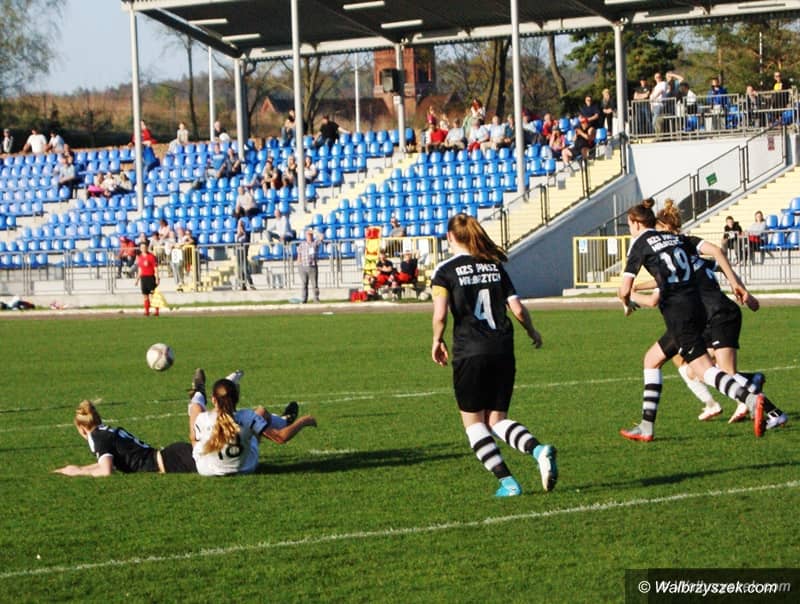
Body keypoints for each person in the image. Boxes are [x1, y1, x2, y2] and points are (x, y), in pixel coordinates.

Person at [618, 200, 775, 442]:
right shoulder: (677, 239)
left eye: (629, 224)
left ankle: (751, 399)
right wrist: (737, 285)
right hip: (697, 308)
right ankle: (646, 426)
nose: (629, 229)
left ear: (636, 223)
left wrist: (627, 301)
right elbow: (714, 252)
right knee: (652, 359)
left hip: (678, 313)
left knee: (704, 370)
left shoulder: (640, 243)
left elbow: (624, 289)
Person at [430, 213, 555, 497]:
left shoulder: (445, 270)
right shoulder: (494, 265)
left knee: (474, 424)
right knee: (497, 420)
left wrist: (437, 340)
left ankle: (508, 483)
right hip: (502, 349)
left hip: (470, 352)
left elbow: (440, 315)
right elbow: (517, 308)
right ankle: (538, 450)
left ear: (450, 237)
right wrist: (532, 331)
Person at [192, 376, 317, 477]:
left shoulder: (203, 418)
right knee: (261, 412)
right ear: (237, 399)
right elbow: (280, 438)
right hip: (245, 468)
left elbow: (194, 439)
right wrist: (303, 421)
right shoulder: (247, 417)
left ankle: (199, 392)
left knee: (195, 407)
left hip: (207, 470)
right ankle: (284, 422)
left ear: (214, 400)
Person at [54, 400, 195, 476]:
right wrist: (79, 468)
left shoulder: (97, 437)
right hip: (172, 456)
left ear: (82, 428)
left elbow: (106, 471)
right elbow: (107, 465)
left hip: (173, 460)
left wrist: (78, 472)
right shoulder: (103, 432)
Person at [296, 228, 323, 303]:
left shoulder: (315, 243)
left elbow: (321, 236)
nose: (309, 236)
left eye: (310, 235)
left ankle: (316, 299)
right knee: (304, 284)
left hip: (312, 266)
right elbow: (299, 255)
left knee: (315, 284)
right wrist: (299, 265)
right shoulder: (302, 244)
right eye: (308, 235)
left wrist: (314, 232)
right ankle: (304, 299)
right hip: (303, 266)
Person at [134, 240, 160, 317]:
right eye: (142, 247)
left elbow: (155, 268)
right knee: (145, 295)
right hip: (143, 278)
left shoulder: (152, 257)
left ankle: (156, 311)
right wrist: (137, 279)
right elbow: (140, 270)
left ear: (147, 247)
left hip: (151, 277)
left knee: (153, 295)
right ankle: (147, 311)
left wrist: (157, 278)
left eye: (144, 247)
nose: (143, 248)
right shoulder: (140, 257)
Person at [235, 218, 255, 290]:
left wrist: (241, 233)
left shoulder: (245, 235)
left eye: (240, 226)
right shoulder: (238, 236)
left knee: (245, 269)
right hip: (239, 255)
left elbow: (245, 245)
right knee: (240, 270)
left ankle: (251, 284)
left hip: (243, 255)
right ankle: (243, 285)